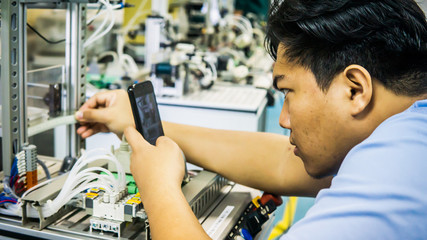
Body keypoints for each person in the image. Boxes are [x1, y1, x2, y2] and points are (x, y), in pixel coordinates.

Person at [75, 0, 427, 239]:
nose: (284, 120)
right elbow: (283, 162)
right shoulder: (406, 134)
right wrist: (136, 122)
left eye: (288, 92)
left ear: (354, 90)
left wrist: (160, 191)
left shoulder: (398, 171)